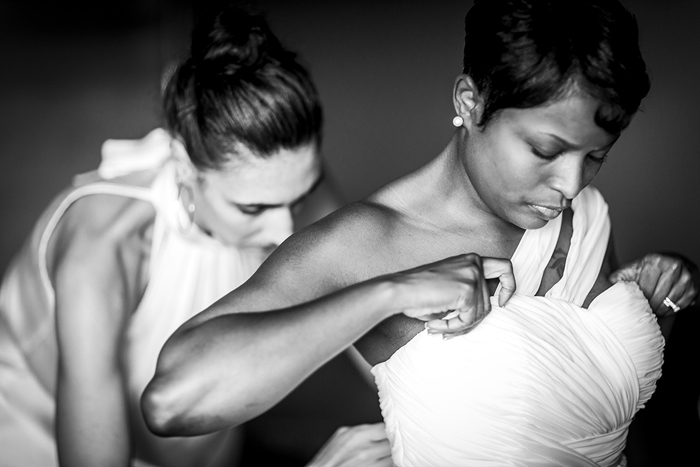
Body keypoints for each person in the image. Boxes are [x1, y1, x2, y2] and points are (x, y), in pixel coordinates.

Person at [142, 0, 699, 466]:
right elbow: (172, 401)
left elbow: (595, 410)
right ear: (469, 102)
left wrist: (657, 302)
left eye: (597, 156)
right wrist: (398, 290)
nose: (571, 183)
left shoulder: (584, 216)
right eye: (545, 151)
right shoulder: (363, 243)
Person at [0, 6, 391, 467]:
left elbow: (358, 302)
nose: (284, 229)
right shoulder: (102, 249)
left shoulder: (281, 185)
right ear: (185, 165)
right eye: (252, 209)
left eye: (299, 198)